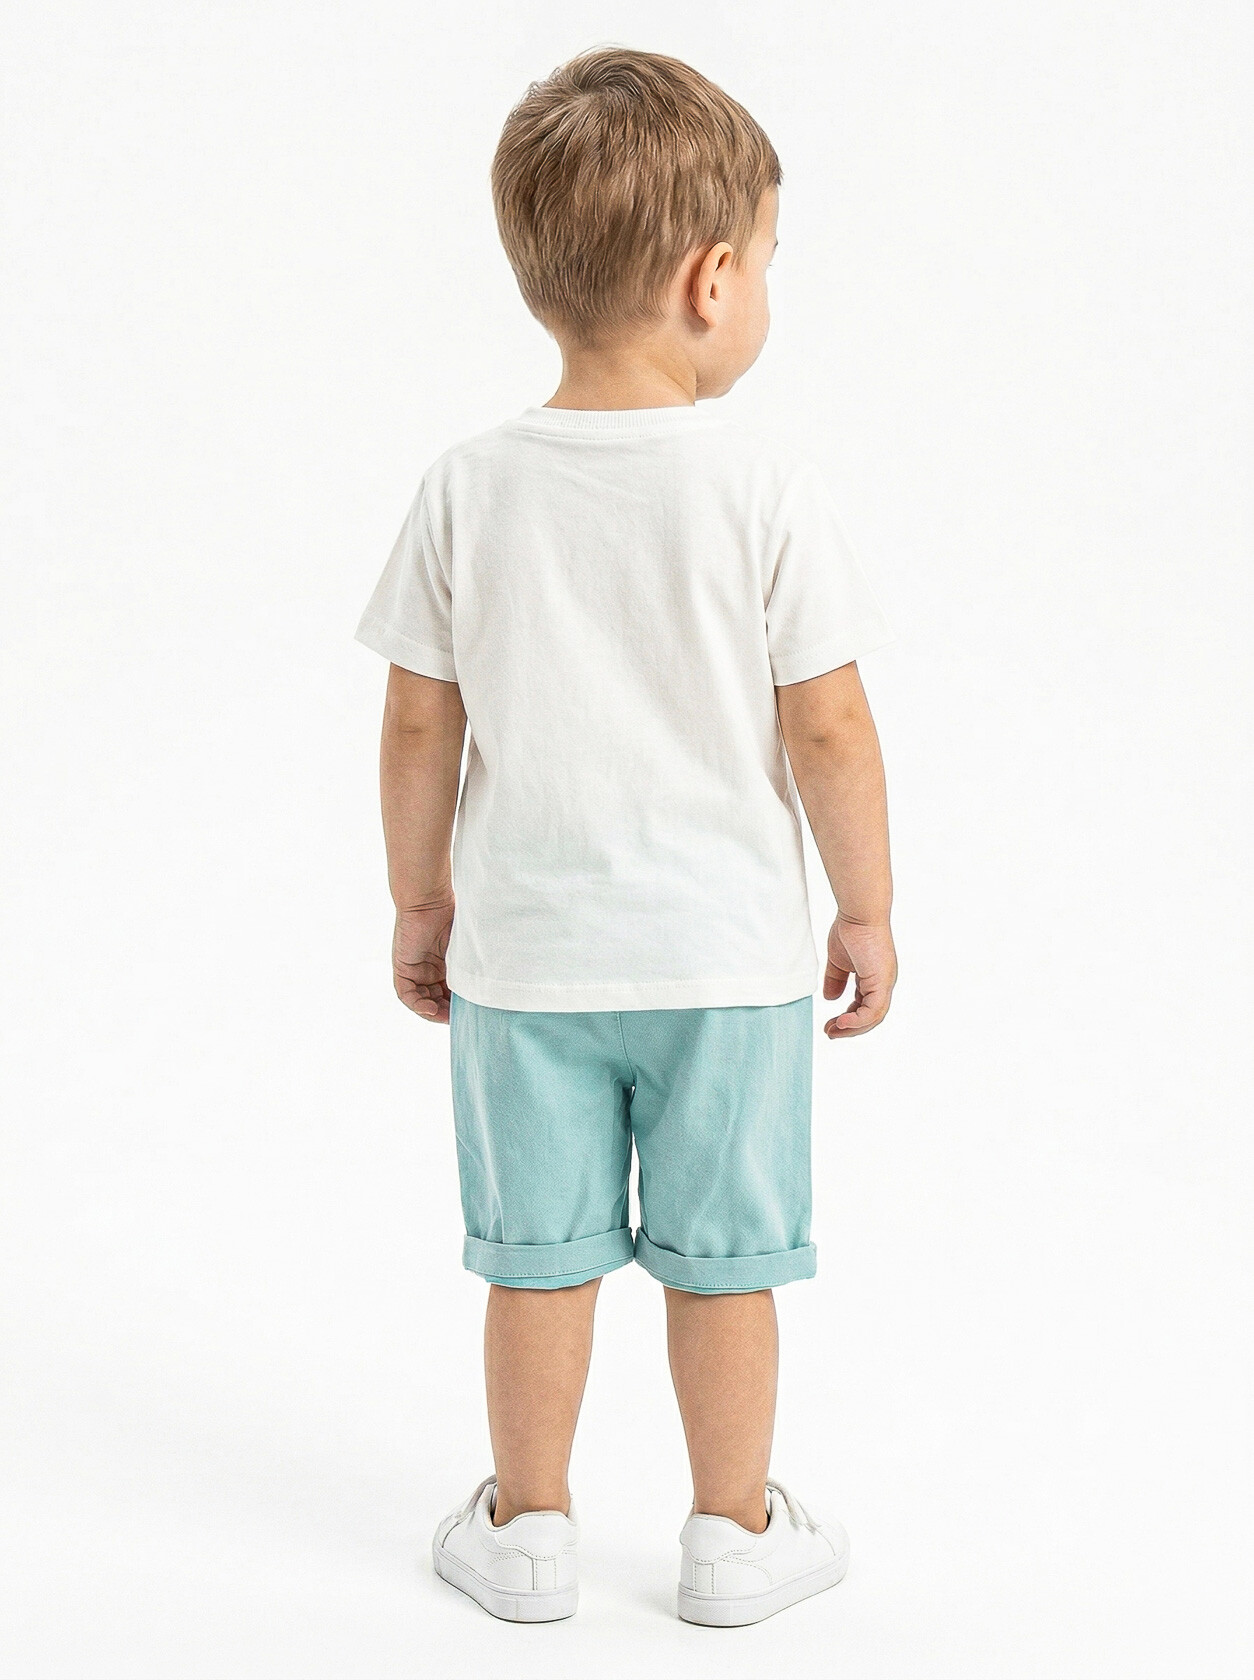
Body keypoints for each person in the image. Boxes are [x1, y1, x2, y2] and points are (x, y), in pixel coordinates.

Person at [355, 45, 897, 1628]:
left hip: (528, 964)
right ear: (710, 280)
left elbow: (416, 725)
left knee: (537, 1255)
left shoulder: (467, 487)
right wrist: (864, 908)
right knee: (727, 1262)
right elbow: (828, 726)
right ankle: (733, 1535)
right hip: (725, 966)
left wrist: (419, 901)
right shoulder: (763, 487)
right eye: (770, 262)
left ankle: (527, 1530)